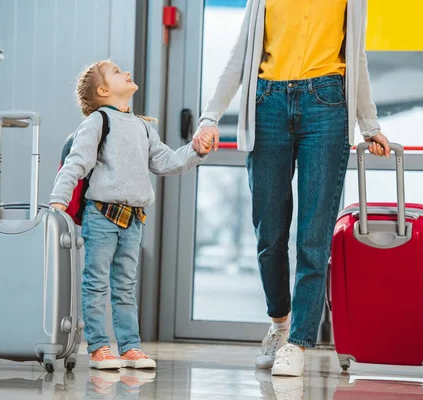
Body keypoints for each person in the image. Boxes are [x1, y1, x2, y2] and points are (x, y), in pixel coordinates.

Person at [193, 0, 390, 377]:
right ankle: (280, 322)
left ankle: (298, 342)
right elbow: (241, 53)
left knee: (313, 238)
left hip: (327, 104)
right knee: (269, 232)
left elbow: (356, 56)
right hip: (267, 102)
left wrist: (369, 123)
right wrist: (210, 116)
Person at [50, 60, 213, 370]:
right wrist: (58, 200)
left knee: (125, 286)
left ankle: (129, 348)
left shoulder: (142, 126)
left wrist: (196, 151)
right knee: (96, 283)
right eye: (115, 72)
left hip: (133, 220)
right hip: (101, 216)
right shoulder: (98, 122)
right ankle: (99, 348)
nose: (125, 72)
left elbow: (166, 161)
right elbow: (76, 163)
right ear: (103, 90)